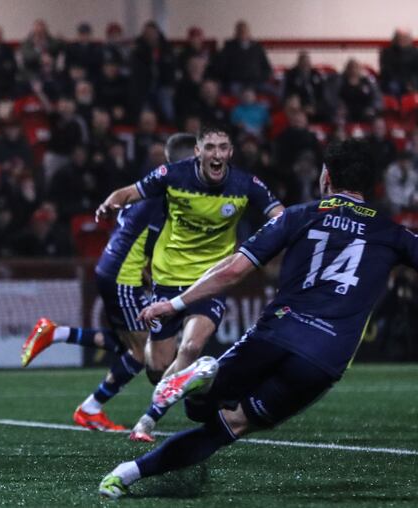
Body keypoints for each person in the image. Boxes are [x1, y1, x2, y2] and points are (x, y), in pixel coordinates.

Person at [98, 138, 418, 499]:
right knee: (230, 425)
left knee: (197, 408)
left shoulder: (298, 215)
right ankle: (125, 476)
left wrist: (173, 305)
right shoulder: (394, 234)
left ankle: (201, 377)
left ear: (326, 177)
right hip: (326, 357)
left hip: (277, 332)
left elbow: (233, 271)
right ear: (372, 185)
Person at [95, 124, 283, 442]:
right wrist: (110, 202)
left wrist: (265, 243)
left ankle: (147, 422)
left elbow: (280, 216)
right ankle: (199, 383)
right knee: (157, 368)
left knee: (192, 347)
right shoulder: (173, 175)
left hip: (211, 280)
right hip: (168, 279)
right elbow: (130, 192)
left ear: (230, 153)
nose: (217, 154)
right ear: (198, 151)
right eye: (210, 148)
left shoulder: (245, 184)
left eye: (223, 148)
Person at [21, 134, 197, 431]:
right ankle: (91, 407)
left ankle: (57, 333)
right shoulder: (167, 194)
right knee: (142, 353)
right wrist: (153, 276)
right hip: (122, 276)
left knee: (133, 342)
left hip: (115, 267)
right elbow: (153, 241)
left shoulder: (149, 187)